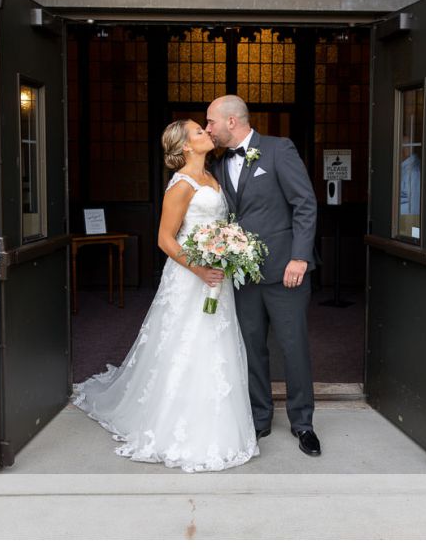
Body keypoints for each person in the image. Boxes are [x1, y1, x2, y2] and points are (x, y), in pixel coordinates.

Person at [72, 119, 259, 472]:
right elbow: (165, 239)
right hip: (192, 277)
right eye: (199, 132)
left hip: (216, 273)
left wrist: (226, 251)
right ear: (187, 146)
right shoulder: (182, 185)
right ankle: (177, 426)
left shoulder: (212, 177)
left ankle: (217, 421)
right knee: (187, 344)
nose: (206, 132)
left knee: (216, 345)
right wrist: (201, 269)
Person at [205, 95, 321, 457]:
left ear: (232, 122)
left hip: (286, 272)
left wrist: (300, 257)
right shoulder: (220, 165)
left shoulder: (277, 149)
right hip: (242, 275)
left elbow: (305, 202)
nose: (208, 128)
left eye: (211, 122)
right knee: (252, 349)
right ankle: (260, 418)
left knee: (293, 348)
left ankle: (303, 422)